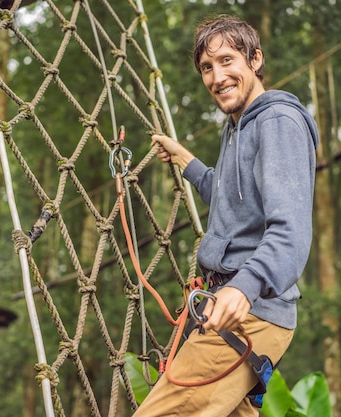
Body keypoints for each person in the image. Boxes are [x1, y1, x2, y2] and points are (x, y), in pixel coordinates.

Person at [133, 15, 319, 417]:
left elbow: (291, 230)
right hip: (226, 307)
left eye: (227, 61)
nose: (217, 77)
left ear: (255, 59)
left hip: (247, 313)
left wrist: (245, 286)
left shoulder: (277, 121)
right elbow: (232, 197)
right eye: (207, 67)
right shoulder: (237, 126)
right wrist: (185, 160)